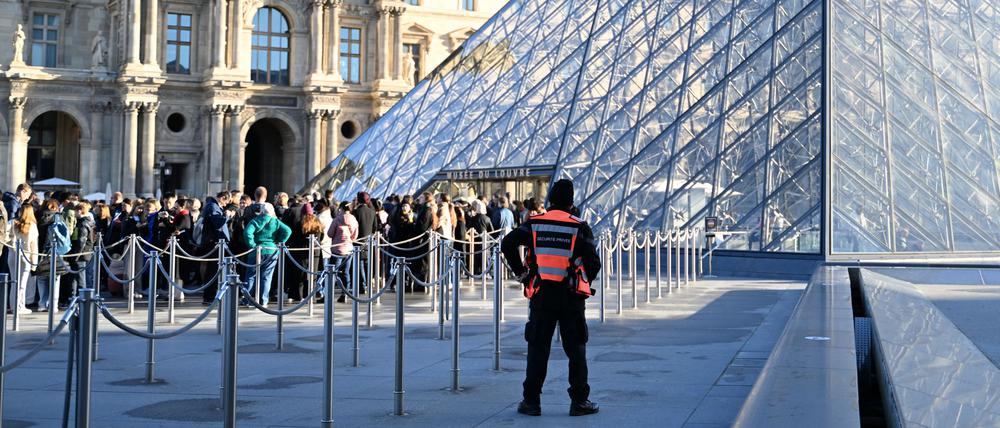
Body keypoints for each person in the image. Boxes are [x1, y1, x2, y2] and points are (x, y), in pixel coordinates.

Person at [500, 179, 601, 417]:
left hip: (542, 295)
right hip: (571, 297)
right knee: (576, 350)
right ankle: (579, 401)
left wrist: (522, 274)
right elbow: (594, 264)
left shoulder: (535, 223)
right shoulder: (579, 226)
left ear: (551, 199)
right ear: (571, 201)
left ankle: (531, 401)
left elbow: (508, 243)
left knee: (538, 349)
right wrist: (581, 278)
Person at [243, 204, 291, 307]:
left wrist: (252, 245)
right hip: (271, 250)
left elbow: (247, 232)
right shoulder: (275, 221)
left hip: (256, 251)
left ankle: (248, 300)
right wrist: (279, 241)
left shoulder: (255, 220)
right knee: (266, 277)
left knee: (251, 276)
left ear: (261, 211)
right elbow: (288, 230)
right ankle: (263, 300)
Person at [200, 192, 232, 305]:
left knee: (214, 269)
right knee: (212, 270)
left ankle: (211, 294)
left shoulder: (212, 205)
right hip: (213, 243)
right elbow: (218, 223)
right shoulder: (213, 206)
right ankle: (209, 296)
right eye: (226, 202)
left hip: (215, 242)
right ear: (222, 198)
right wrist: (227, 215)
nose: (225, 205)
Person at [7, 205, 38, 314]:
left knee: (13, 281)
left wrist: (11, 243)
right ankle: (20, 306)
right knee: (22, 283)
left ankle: (13, 305)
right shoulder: (32, 226)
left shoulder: (12, 222)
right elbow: (34, 246)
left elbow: (4, 236)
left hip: (12, 254)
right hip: (26, 256)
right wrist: (34, 263)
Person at [327, 202, 359, 302]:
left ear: (341, 208)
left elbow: (330, 233)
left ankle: (329, 293)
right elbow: (355, 236)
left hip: (337, 249)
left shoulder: (337, 219)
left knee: (332, 272)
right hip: (349, 249)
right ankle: (344, 294)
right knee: (346, 272)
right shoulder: (353, 219)